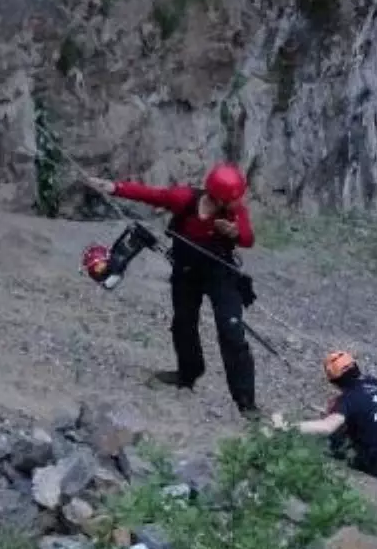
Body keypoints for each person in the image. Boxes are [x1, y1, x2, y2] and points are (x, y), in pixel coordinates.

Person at [83, 163, 259, 417]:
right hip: (186, 270)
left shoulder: (235, 212)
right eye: (234, 197)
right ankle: (187, 373)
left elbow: (248, 238)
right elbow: (151, 195)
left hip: (221, 274)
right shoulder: (184, 199)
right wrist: (113, 187)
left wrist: (234, 232)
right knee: (183, 323)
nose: (239, 201)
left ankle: (246, 403)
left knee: (231, 330)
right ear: (220, 198)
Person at [271, 351, 377, 482]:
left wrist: (286, 426)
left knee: (337, 442)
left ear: (334, 381)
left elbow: (327, 427)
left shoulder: (348, 399)